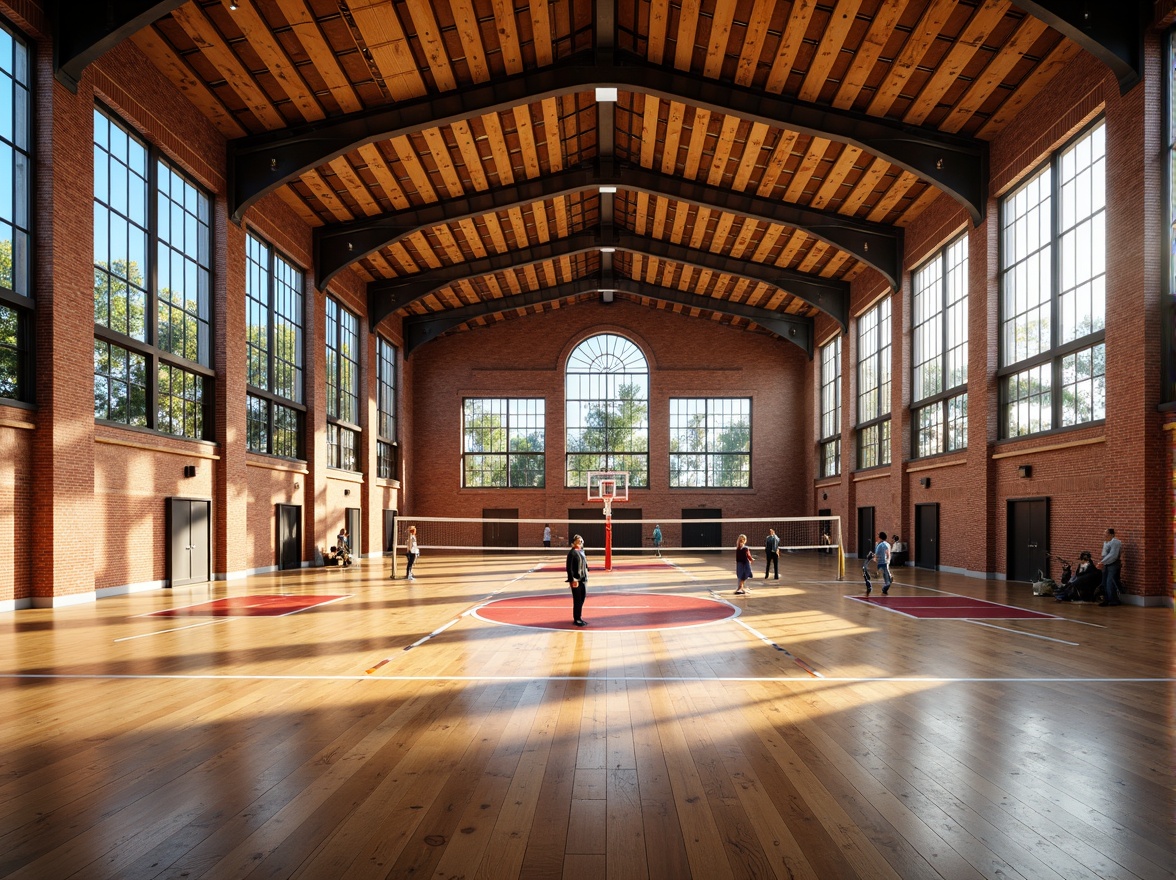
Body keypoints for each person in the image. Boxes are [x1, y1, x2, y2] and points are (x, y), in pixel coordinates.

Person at [565, 534, 588, 626]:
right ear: (573, 543)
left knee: (582, 598)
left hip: (583, 579)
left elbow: (584, 564)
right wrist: (572, 579)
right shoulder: (572, 553)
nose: (580, 542)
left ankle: (579, 616)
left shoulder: (582, 551)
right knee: (577, 600)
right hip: (576, 580)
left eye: (581, 540)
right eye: (578, 541)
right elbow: (569, 568)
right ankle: (577, 619)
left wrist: (587, 572)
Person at [1098, 528, 1122, 606]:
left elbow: (1113, 555)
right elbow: (1104, 553)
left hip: (1113, 564)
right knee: (1104, 581)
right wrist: (1102, 562)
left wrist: (1102, 562)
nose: (1104, 535)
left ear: (1111, 534)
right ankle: (1106, 599)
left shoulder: (1116, 542)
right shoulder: (1106, 542)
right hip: (1106, 564)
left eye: (1106, 533)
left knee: (1110, 582)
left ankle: (1114, 600)